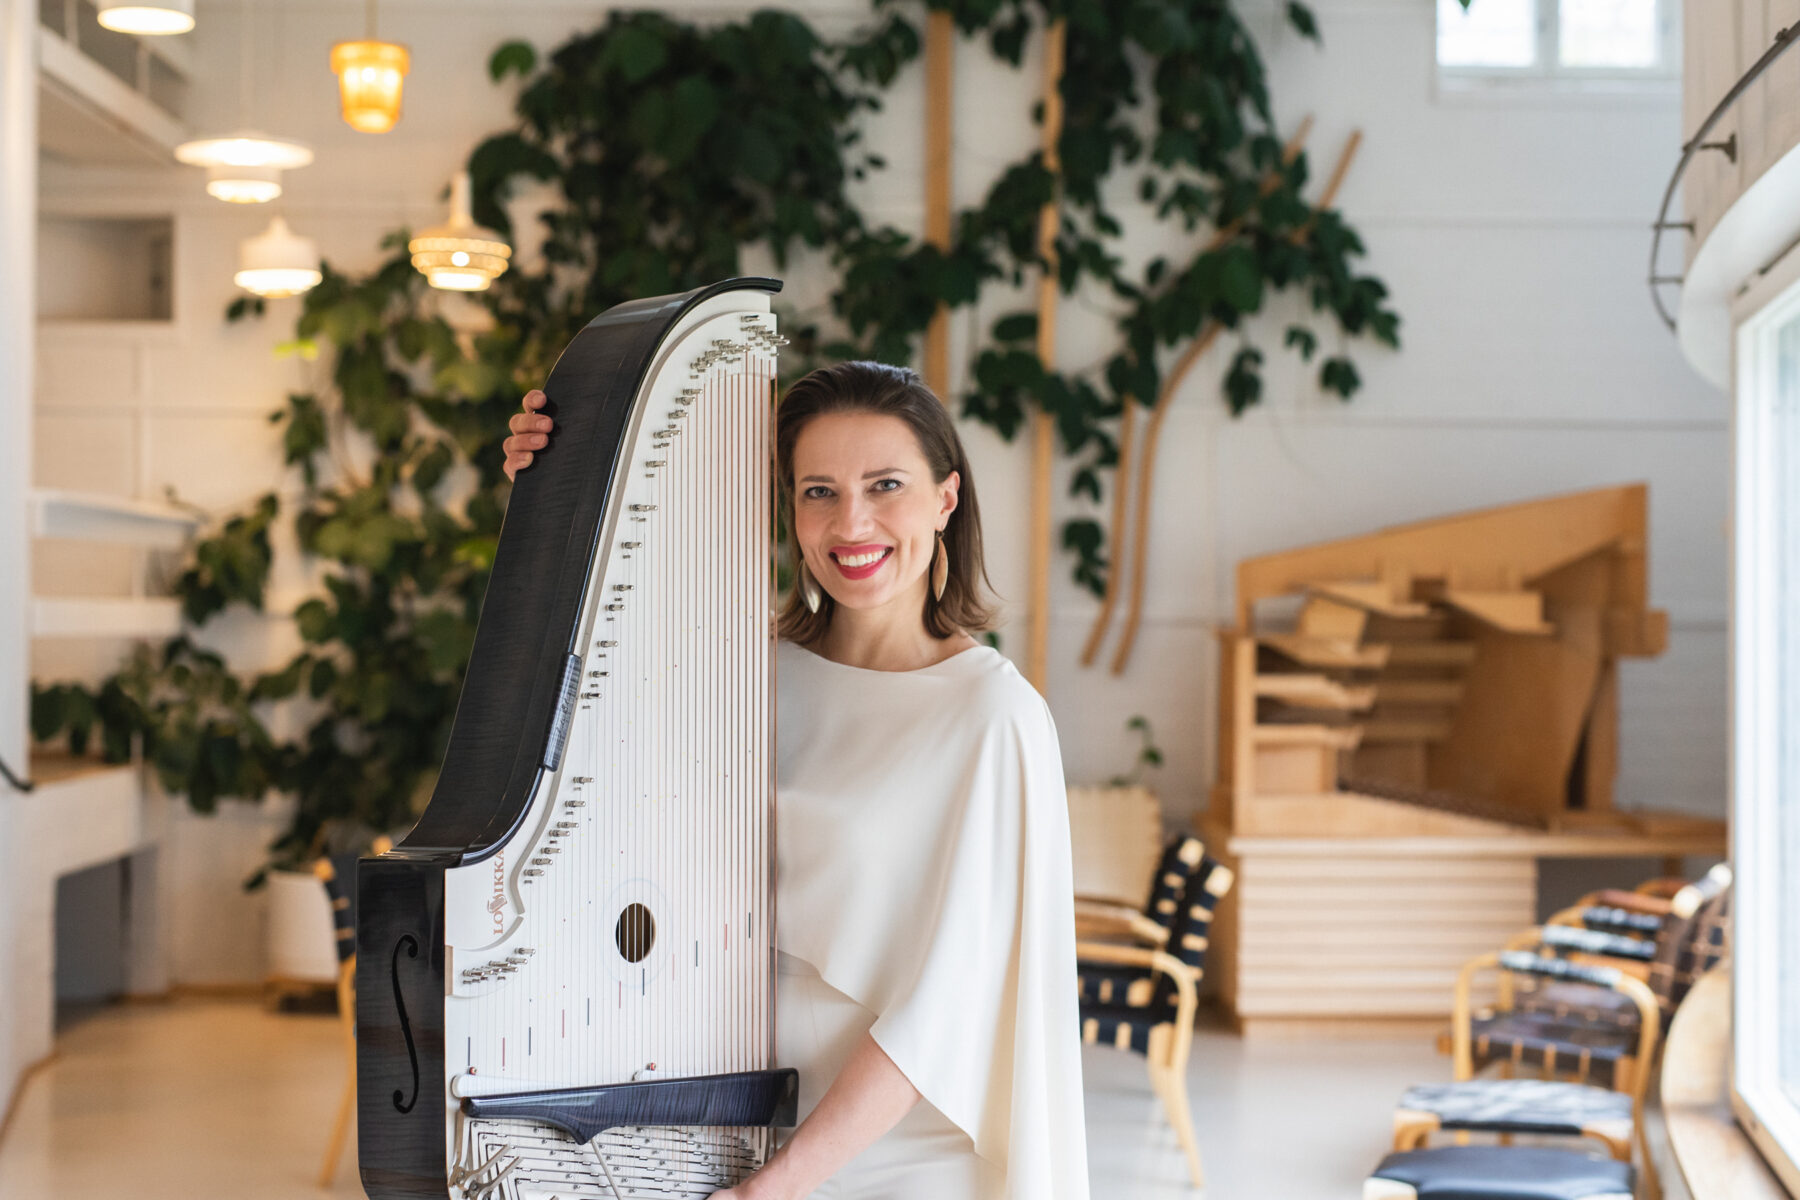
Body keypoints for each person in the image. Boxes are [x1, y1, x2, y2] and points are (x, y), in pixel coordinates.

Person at [503, 361, 1089, 1200]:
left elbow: (946, 1014)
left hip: (889, 1162)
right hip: (725, 1130)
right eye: (819, 491)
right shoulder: (752, 678)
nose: (852, 522)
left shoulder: (994, 720)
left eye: (886, 485)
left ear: (946, 500)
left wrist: (778, 1186)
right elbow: (574, 729)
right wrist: (542, 497)